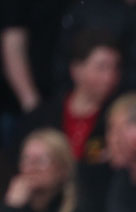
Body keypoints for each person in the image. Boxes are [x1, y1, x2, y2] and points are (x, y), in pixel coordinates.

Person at [15, 29, 121, 166]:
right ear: (76, 70)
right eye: (101, 68)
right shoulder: (43, 116)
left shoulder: (117, 118)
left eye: (115, 68)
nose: (110, 77)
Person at [0, 128, 99, 212]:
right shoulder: (14, 209)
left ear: (63, 169)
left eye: (42, 160)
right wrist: (9, 209)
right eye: (26, 159)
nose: (31, 167)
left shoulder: (79, 209)